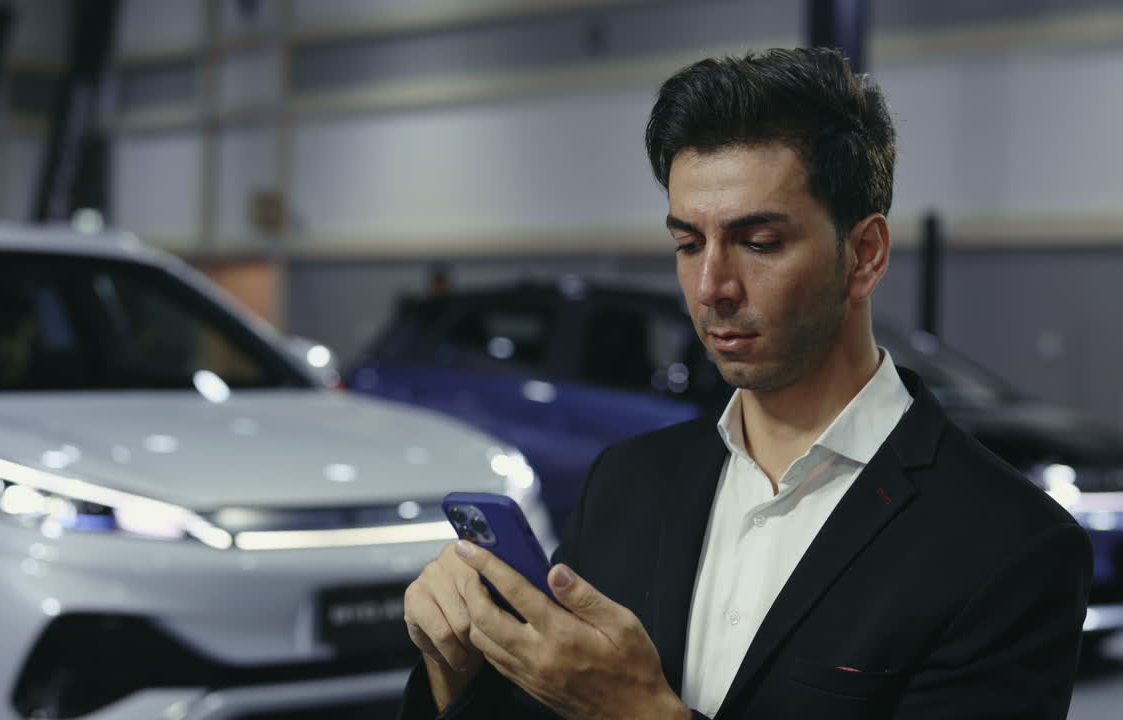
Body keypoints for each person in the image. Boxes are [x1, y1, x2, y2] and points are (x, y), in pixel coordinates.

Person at [398, 47, 1092, 719]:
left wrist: (640, 714)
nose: (711, 288)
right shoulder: (628, 484)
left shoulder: (1008, 548)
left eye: (759, 243)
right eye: (688, 244)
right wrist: (454, 668)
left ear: (865, 255)